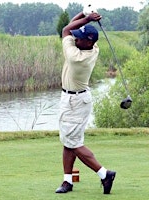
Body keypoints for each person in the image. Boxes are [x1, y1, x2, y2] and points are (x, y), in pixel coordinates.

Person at [55, 11, 116, 195]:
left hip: (74, 101)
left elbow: (66, 29)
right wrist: (84, 13)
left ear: (88, 42)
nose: (76, 38)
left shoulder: (76, 57)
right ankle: (67, 181)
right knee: (69, 142)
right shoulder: (92, 48)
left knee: (73, 144)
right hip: (76, 99)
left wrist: (87, 18)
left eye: (80, 38)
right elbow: (72, 30)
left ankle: (105, 174)